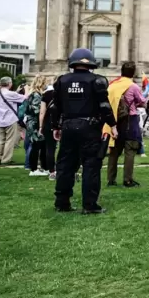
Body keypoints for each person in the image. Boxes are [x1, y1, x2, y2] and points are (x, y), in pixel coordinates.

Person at [50, 48, 118, 214]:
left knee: (65, 166)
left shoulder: (62, 81)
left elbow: (55, 107)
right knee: (91, 166)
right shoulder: (98, 80)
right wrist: (113, 125)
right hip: (90, 128)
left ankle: (62, 202)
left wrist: (55, 126)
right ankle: (89, 205)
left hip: (68, 126)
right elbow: (104, 106)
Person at [105, 61, 146, 187]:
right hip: (130, 121)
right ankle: (128, 180)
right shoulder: (133, 86)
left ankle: (111, 180)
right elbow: (142, 102)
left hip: (114, 121)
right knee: (130, 150)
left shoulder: (112, 85)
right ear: (133, 73)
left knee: (114, 152)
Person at [0, 76, 28, 165]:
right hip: (10, 120)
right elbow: (25, 97)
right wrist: (27, 89)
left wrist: (16, 91)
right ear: (9, 84)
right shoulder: (11, 94)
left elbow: (7, 96)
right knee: (9, 140)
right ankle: (6, 159)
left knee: (0, 139)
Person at [26, 75, 49, 176]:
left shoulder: (34, 94)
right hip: (35, 123)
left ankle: (42, 167)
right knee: (36, 146)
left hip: (33, 122)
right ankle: (34, 168)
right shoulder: (36, 95)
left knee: (40, 146)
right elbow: (36, 110)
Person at [39, 83, 57, 180]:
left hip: (49, 123)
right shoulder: (65, 93)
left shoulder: (46, 94)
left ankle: (52, 171)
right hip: (64, 123)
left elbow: (42, 111)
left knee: (50, 148)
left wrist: (41, 126)